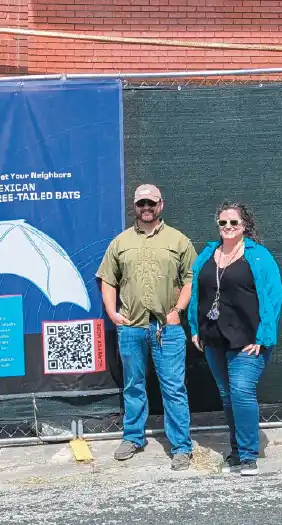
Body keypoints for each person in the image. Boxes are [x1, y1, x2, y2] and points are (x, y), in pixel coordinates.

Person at [96, 183, 198, 470]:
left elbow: (191, 278)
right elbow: (108, 279)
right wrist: (112, 313)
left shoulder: (179, 241)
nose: (146, 208)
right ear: (135, 206)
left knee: (174, 389)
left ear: (161, 205)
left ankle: (180, 447)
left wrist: (178, 311)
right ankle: (133, 438)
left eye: (151, 203)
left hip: (168, 329)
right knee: (133, 385)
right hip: (131, 328)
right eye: (141, 203)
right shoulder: (120, 242)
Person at [187, 202, 282, 476]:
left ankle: (249, 455)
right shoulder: (207, 254)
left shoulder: (259, 256)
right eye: (223, 223)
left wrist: (263, 336)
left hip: (249, 340)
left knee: (241, 391)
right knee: (228, 396)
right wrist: (195, 328)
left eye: (233, 223)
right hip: (214, 339)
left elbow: (274, 296)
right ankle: (236, 451)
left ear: (244, 226)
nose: (228, 228)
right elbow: (197, 294)